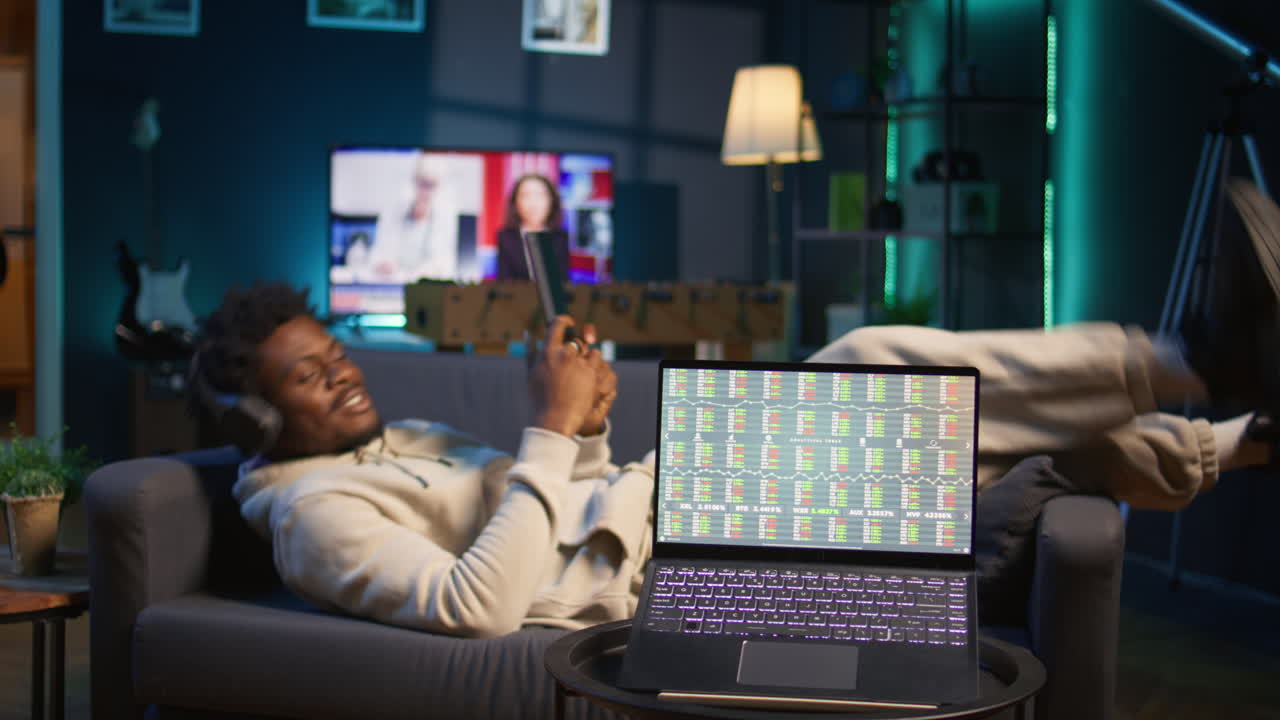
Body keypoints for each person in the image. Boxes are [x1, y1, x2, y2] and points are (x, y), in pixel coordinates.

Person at [194, 179, 1280, 638]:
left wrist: (585, 427)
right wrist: (545, 431)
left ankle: (1235, 432)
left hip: (662, 506)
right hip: (676, 565)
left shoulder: (395, 441)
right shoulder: (312, 517)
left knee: (969, 422)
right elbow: (474, 606)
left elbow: (551, 502)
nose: (342, 375)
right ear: (254, 417)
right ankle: (1194, 358)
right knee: (871, 360)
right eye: (306, 374)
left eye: (334, 353)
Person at [367, 152, 460, 283]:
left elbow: (444, 264)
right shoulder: (394, 210)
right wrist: (382, 264)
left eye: (431, 185)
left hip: (426, 289)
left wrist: (422, 273)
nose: (426, 191)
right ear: (415, 181)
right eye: (423, 184)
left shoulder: (445, 215)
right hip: (391, 286)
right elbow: (377, 255)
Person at [495, 173, 571, 281]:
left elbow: (564, 282)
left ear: (552, 201)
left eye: (540, 195)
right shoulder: (505, 237)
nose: (533, 203)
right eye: (526, 195)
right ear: (515, 203)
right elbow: (503, 282)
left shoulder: (561, 238)